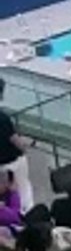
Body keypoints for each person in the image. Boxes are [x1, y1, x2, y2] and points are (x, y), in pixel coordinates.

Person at [0, 78, 34, 213]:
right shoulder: (3, 119)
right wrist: (26, 145)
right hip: (11, 161)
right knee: (22, 188)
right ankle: (26, 213)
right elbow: (16, 142)